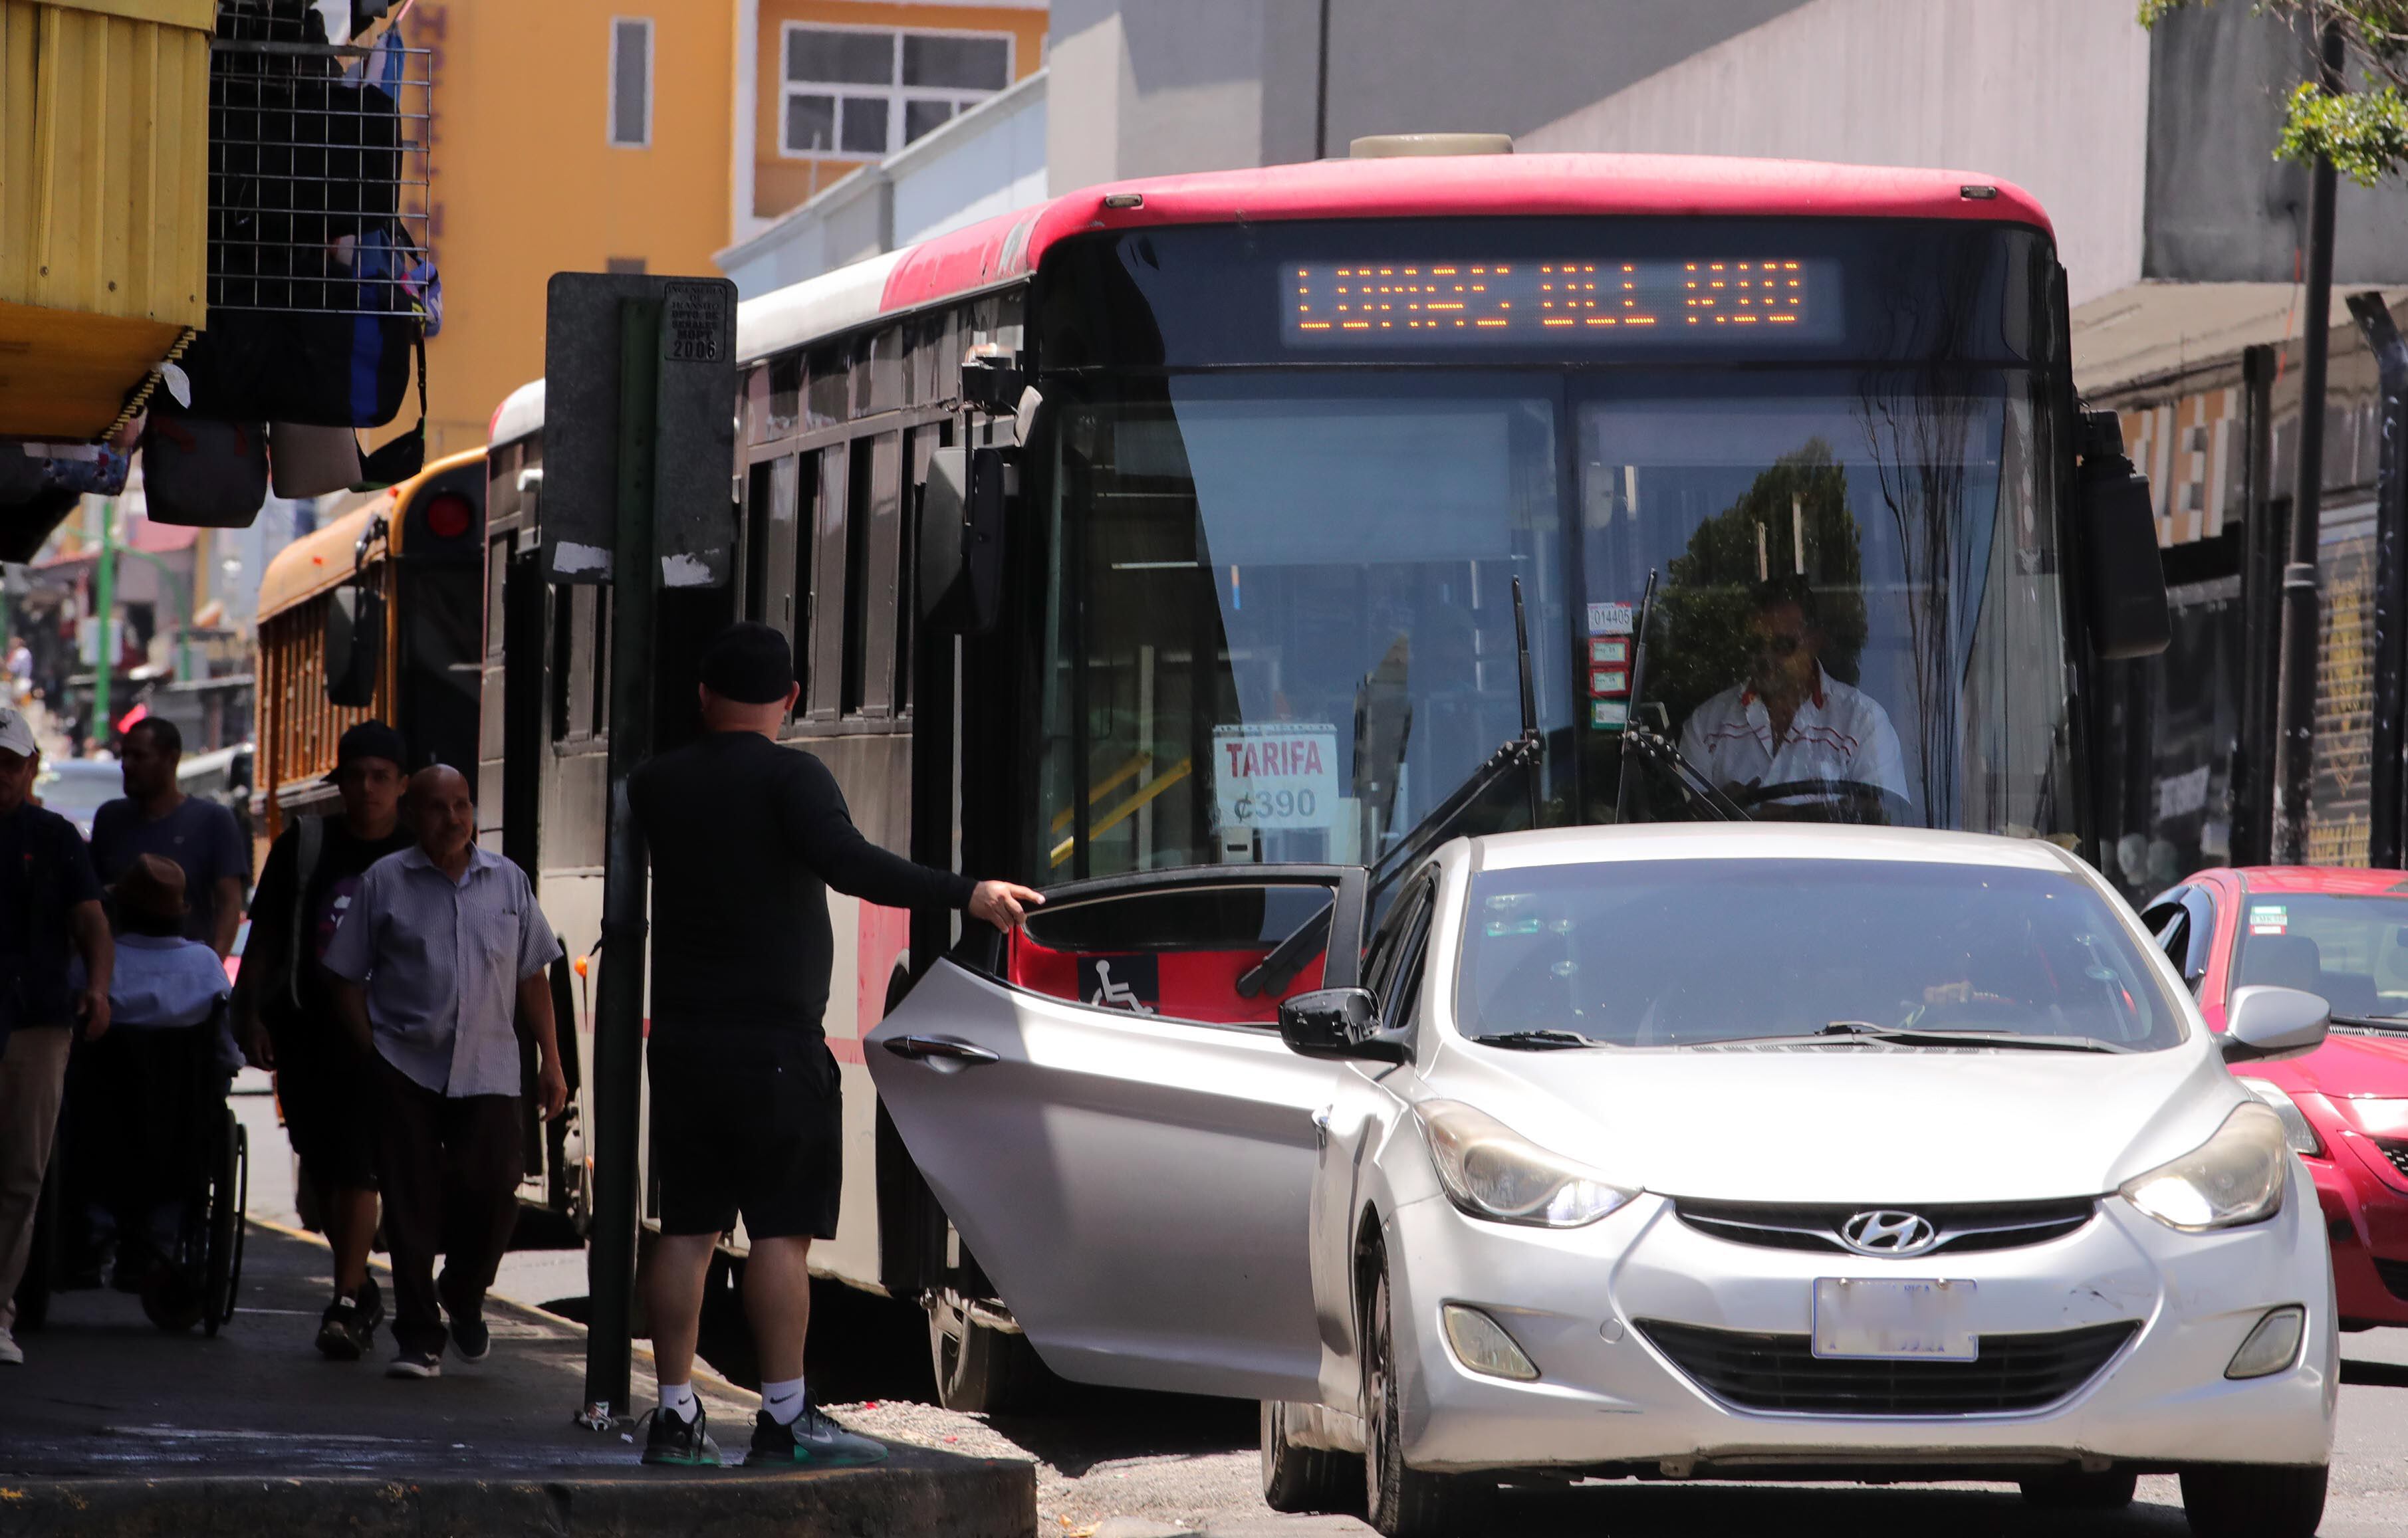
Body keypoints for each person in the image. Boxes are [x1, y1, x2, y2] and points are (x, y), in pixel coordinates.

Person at [626, 622, 1043, 1469]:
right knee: (780, 1234)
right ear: (790, 699)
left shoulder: (655, 785)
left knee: (687, 1230)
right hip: (775, 1046)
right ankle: (783, 1416)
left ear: (703, 696)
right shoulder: (793, 776)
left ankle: (674, 1413)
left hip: (680, 1042)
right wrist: (969, 892)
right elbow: (850, 863)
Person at [322, 764, 567, 1380]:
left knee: (496, 1188)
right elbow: (345, 977)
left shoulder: (507, 881)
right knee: (409, 1204)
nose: (453, 818)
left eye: (462, 805)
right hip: (406, 1064)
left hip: (488, 1066)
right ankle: (419, 1337)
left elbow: (532, 975)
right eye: (438, 807)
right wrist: (371, 1049)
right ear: (413, 815)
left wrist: (553, 1062)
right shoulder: (386, 882)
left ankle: (461, 1291)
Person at [233, 720, 414, 1361]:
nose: (368, 789)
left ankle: (344, 1299)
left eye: (381, 778)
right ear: (340, 783)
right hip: (308, 1034)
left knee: (361, 1163)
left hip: (387, 1040)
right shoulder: (306, 846)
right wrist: (249, 1013)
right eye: (357, 777)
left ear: (402, 785)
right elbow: (267, 938)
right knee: (326, 1174)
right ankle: (359, 1286)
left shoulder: (418, 850)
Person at [64, 855, 233, 1307]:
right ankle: (155, 1243)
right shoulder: (205, 966)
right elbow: (226, 1054)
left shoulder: (96, 967)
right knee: (196, 1133)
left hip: (99, 1126)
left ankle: (89, 1235)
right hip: (180, 1129)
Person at [0, 705, 113, 1367]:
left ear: (31, 768)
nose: (1, 777)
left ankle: (0, 1309)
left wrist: (98, 988)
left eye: (10, 765)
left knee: (21, 1170)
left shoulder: (55, 836)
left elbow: (92, 922)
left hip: (38, 1018)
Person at [1677, 576, 1908, 818]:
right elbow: (1684, 828)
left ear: (1815, 642)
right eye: (1756, 645)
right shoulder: (1705, 725)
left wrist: (1774, 817)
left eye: (1783, 645)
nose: (1766, 656)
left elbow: (1881, 816)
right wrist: (1715, 806)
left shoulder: (1863, 721)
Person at [91, 717, 247, 957]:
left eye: (139, 756)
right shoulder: (109, 819)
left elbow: (230, 903)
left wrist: (210, 968)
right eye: (125, 755)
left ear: (171, 759)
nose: (127, 765)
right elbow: (92, 904)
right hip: (119, 976)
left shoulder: (213, 821)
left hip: (186, 979)